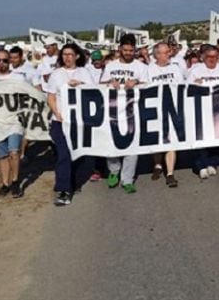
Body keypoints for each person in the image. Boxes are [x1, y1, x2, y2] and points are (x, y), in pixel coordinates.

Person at [46, 43, 95, 206]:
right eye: (64, 54)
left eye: (70, 54)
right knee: (64, 153)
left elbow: (94, 93)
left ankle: (74, 181)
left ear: (77, 56)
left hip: (79, 121)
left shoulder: (84, 72)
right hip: (60, 121)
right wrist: (56, 113)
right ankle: (63, 189)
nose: (67, 57)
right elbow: (51, 97)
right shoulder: (56, 75)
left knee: (79, 154)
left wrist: (80, 85)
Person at [100, 34, 149, 193]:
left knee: (132, 146)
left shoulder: (141, 67)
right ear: (120, 48)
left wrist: (137, 82)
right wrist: (109, 83)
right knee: (111, 142)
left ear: (135, 50)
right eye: (125, 50)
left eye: (131, 50)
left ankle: (127, 179)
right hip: (113, 110)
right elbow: (100, 85)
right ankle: (114, 171)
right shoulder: (110, 66)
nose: (128, 53)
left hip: (132, 111)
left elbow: (149, 87)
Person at [0, 49, 25, 198]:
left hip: (14, 121)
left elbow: (28, 95)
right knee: (2, 156)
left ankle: (15, 182)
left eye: (5, 60)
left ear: (10, 62)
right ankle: (5, 183)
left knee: (14, 152)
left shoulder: (19, 78)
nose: (2, 63)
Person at [188, 45, 219, 179]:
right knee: (200, 139)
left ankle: (213, 163)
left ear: (218, 57)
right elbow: (185, 89)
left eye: (214, 56)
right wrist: (194, 83)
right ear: (203, 57)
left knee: (216, 139)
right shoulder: (195, 70)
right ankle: (200, 165)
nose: (212, 59)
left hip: (218, 111)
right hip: (200, 110)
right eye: (209, 56)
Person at [147, 42, 185, 187]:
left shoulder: (175, 68)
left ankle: (170, 173)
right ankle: (157, 165)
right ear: (156, 55)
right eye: (165, 52)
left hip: (172, 110)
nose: (169, 54)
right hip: (155, 110)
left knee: (171, 140)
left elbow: (181, 87)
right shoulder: (149, 69)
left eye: (169, 51)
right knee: (158, 141)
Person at [8, 46, 38, 160]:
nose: (12, 60)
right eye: (11, 57)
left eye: (15, 58)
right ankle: (14, 151)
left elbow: (36, 86)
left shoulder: (30, 69)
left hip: (26, 104)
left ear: (21, 57)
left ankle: (21, 153)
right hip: (10, 105)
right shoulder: (8, 68)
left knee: (25, 130)